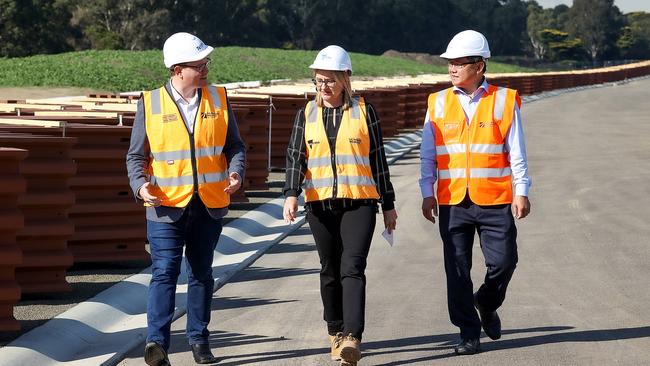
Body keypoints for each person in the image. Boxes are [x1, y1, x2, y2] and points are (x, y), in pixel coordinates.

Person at [126, 32, 246, 366]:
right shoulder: (149, 104)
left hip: (208, 203)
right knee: (163, 272)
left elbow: (235, 146)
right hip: (165, 207)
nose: (206, 68)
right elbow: (135, 157)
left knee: (201, 274)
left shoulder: (219, 99)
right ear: (178, 69)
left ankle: (199, 340)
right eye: (199, 64)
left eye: (206, 62)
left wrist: (235, 173)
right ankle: (156, 343)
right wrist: (140, 186)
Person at [283, 45, 398, 366]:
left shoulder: (365, 111)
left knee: (352, 267)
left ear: (346, 79)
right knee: (329, 269)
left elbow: (378, 161)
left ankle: (352, 337)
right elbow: (295, 156)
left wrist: (388, 204)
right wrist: (291, 193)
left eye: (329, 81)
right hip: (319, 205)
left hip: (359, 203)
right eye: (318, 81)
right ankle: (334, 330)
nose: (323, 87)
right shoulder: (306, 114)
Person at [419, 30, 531, 355]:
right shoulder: (437, 102)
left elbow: (517, 153)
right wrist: (427, 192)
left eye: (459, 62)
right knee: (456, 270)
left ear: (479, 66)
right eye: (449, 63)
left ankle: (486, 301)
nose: (452, 68)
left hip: (496, 200)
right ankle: (468, 333)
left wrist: (521, 191)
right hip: (453, 201)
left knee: (505, 262)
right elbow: (428, 154)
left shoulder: (505, 100)